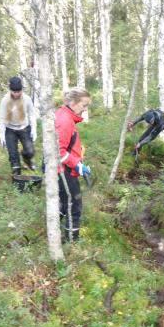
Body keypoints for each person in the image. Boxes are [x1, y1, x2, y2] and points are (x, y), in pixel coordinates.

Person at [55, 88, 92, 242]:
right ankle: (72, 241)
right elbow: (59, 151)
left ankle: (53, 228)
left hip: (65, 169)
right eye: (84, 105)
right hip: (63, 171)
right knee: (74, 205)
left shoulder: (65, 116)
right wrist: (77, 165)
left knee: (65, 203)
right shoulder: (65, 120)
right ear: (73, 103)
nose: (85, 109)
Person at [0, 76, 37, 175]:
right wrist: (2, 135)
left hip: (24, 127)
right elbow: (1, 118)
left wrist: (34, 129)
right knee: (13, 155)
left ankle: (27, 160)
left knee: (30, 151)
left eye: (18, 91)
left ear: (21, 90)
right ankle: (17, 176)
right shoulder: (5, 100)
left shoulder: (27, 99)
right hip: (10, 129)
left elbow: (32, 114)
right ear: (10, 90)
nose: (16, 94)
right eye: (14, 92)